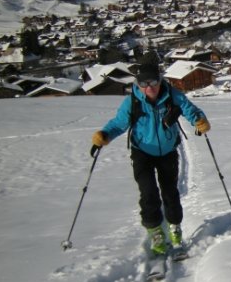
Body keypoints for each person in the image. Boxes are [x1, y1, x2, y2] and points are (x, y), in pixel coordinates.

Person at [90, 59, 210, 259]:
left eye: (153, 82)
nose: (149, 88)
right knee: (148, 193)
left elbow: (191, 110)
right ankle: (156, 234)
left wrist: (200, 121)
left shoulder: (173, 95)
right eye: (143, 84)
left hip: (168, 151)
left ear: (160, 80)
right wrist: (104, 135)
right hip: (142, 152)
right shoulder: (132, 102)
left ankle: (174, 229)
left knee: (170, 192)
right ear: (138, 85)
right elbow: (119, 123)